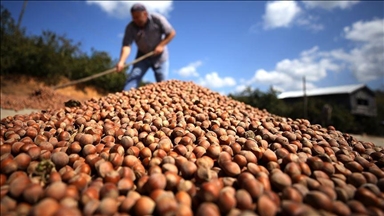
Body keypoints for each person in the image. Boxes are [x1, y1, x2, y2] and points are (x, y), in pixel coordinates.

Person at [116, 3, 176, 91]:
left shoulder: (157, 19)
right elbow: (126, 46)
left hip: (160, 56)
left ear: (145, 14)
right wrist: (121, 61)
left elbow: (171, 33)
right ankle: (124, 97)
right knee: (133, 78)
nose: (135, 20)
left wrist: (161, 45)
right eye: (133, 17)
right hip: (143, 56)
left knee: (162, 83)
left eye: (138, 17)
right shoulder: (130, 27)